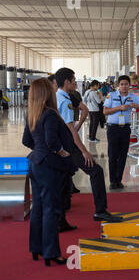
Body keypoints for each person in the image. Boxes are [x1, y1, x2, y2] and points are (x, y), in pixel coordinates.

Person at [55, 68, 122, 222]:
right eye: (73, 81)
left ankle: (63, 208)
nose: (75, 84)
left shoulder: (58, 97)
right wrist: (85, 151)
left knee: (64, 175)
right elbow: (71, 131)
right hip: (68, 145)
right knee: (96, 171)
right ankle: (100, 210)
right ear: (66, 82)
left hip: (61, 144)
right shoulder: (65, 101)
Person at [22, 78, 77, 266]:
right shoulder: (50, 115)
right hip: (49, 166)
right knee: (51, 209)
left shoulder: (31, 114)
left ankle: (36, 249)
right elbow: (52, 141)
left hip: (35, 163)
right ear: (48, 93)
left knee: (37, 207)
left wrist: (40, 150)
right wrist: (63, 153)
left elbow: (26, 141)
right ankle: (51, 252)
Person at [103, 75, 139, 189]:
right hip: (113, 128)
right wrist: (119, 108)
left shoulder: (132, 96)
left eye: (126, 84)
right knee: (112, 155)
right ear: (118, 86)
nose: (124, 86)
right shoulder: (112, 95)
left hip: (125, 128)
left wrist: (137, 105)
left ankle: (119, 180)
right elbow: (105, 111)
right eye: (122, 84)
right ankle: (112, 181)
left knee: (123, 155)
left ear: (129, 85)